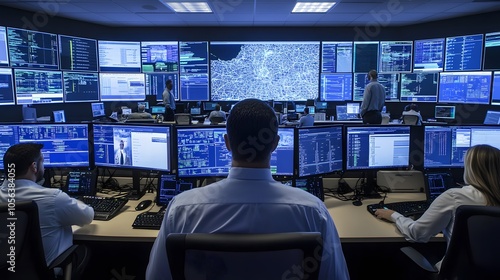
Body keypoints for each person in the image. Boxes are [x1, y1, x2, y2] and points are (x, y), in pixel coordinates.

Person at [146, 99, 349, 280]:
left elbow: (156, 276)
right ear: (275, 145)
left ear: (226, 143)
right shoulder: (313, 212)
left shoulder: (180, 210)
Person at [374, 144, 500, 270]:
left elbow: (418, 234)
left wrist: (394, 216)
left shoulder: (455, 196)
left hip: (458, 273)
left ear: (471, 169)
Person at [0, 143, 94, 269]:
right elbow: (87, 216)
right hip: (47, 272)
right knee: (86, 251)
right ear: (34, 167)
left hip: (7, 272)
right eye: (42, 162)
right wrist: (75, 200)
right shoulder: (53, 198)